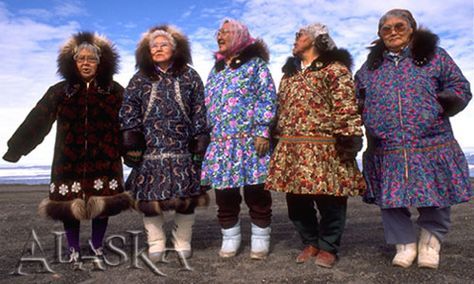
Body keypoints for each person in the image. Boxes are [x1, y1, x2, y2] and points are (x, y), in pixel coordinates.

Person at [3, 32, 131, 269]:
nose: (85, 63)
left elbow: (129, 124)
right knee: (68, 207)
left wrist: (133, 152)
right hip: (67, 161)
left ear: (100, 62)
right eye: (81, 58)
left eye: (91, 59)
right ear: (73, 62)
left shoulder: (114, 91)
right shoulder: (60, 91)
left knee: (102, 205)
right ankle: (73, 249)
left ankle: (96, 246)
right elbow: (37, 119)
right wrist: (17, 148)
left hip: (105, 160)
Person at [355, 9, 472, 269]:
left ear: (412, 29)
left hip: (430, 140)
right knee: (391, 199)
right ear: (379, 34)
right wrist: (364, 117)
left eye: (399, 26)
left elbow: (461, 88)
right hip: (386, 145)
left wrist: (440, 103)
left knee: (436, 193)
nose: (393, 32)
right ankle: (404, 245)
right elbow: (355, 100)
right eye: (387, 28)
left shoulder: (435, 57)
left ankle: (430, 242)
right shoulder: (369, 68)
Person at [265, 23, 366, 268]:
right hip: (293, 148)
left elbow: (346, 105)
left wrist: (349, 138)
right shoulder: (288, 76)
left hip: (325, 146)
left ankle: (329, 246)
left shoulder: (335, 70)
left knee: (330, 200)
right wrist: (274, 134)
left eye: (299, 35)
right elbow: (280, 109)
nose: (295, 39)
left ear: (315, 39)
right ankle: (310, 241)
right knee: (296, 201)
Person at [120, 25, 210, 262]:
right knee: (149, 202)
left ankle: (182, 241)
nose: (158, 49)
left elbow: (200, 110)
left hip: (182, 149)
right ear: (147, 52)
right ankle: (156, 242)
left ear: (175, 48)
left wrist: (200, 140)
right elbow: (129, 110)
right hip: (150, 150)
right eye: (154, 46)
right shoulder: (139, 78)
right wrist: (131, 141)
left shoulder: (190, 76)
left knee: (186, 200)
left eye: (164, 44)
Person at [201, 18, 277, 260]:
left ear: (239, 36)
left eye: (225, 32)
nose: (219, 37)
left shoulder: (256, 66)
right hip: (222, 143)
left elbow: (267, 97)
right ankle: (230, 238)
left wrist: (262, 130)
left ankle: (260, 240)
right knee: (225, 194)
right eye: (218, 33)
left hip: (250, 140)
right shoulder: (216, 70)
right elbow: (207, 105)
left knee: (256, 192)